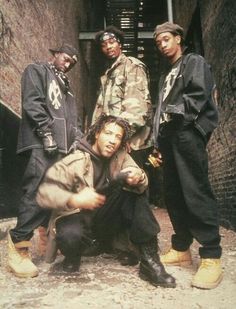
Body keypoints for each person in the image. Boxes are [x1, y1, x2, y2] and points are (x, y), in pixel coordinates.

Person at [36, 114, 176, 288]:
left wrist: (138, 176)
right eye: (108, 133)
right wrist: (75, 199)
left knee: (134, 193)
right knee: (71, 235)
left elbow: (136, 172)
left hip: (104, 222)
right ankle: (73, 256)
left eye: (118, 137)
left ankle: (150, 261)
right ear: (96, 134)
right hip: (79, 223)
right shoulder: (76, 159)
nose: (112, 141)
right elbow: (44, 192)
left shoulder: (120, 156)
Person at [152, 21, 223, 289]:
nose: (162, 44)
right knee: (173, 192)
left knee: (195, 190)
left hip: (187, 132)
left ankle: (211, 255)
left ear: (178, 39)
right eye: (158, 42)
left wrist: (178, 115)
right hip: (169, 137)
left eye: (166, 39)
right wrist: (157, 138)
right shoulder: (165, 75)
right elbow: (160, 111)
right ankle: (181, 247)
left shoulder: (193, 61)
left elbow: (198, 94)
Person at [8, 43, 83, 278]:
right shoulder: (37, 70)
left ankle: (43, 239)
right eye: (65, 58)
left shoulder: (66, 88)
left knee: (51, 194)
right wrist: (46, 132)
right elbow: (32, 102)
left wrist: (78, 142)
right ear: (55, 54)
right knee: (35, 193)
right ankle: (18, 246)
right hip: (42, 143)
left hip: (61, 148)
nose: (68, 63)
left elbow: (72, 122)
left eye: (72, 61)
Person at [92, 26, 153, 168]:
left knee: (131, 186)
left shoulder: (132, 66)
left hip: (130, 143)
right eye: (104, 45)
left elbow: (137, 108)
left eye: (112, 42)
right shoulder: (108, 74)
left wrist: (122, 136)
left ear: (120, 44)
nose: (108, 46)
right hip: (112, 142)